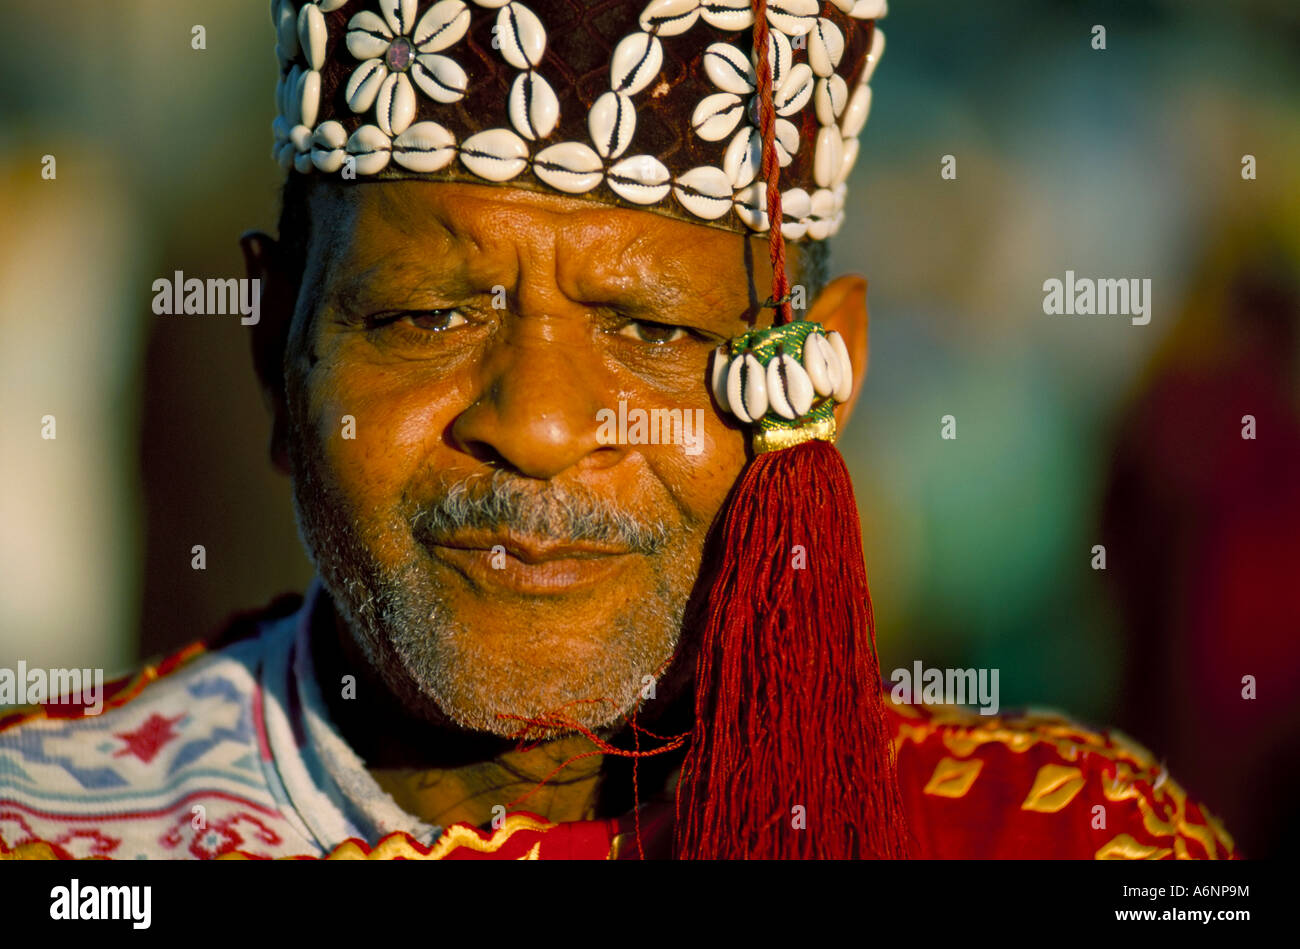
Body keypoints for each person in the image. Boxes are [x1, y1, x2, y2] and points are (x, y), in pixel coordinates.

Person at [0, 0, 1235, 860]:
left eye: (650, 332)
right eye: (428, 316)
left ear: (826, 379)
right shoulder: (47, 831)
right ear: (276, 352)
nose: (536, 426)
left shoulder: (1050, 837)